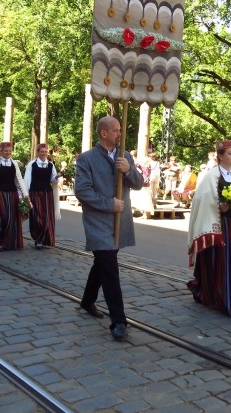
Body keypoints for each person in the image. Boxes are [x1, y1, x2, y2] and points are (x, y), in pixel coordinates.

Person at [75, 116, 143, 341]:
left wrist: (129, 169)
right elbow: (82, 191)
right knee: (110, 269)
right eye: (115, 131)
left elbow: (139, 183)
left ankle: (87, 300)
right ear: (103, 133)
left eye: (120, 130)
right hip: (98, 222)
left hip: (119, 222)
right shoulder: (86, 159)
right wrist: (108, 204)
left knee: (103, 262)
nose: (120, 134)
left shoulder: (126, 156)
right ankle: (119, 321)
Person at [187, 139, 231, 317]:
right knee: (217, 262)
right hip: (218, 227)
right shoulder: (212, 175)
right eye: (230, 153)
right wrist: (219, 206)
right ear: (220, 157)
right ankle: (217, 296)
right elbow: (202, 199)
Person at [0, 142, 29, 250]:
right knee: (0, 217)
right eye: (6, 151)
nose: (8, 152)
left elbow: (19, 179)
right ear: (1, 152)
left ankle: (8, 241)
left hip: (12, 194)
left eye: (9, 151)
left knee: (11, 219)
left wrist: (24, 194)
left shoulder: (14, 163)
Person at [24, 143, 61, 250]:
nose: (44, 153)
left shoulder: (50, 165)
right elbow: (27, 180)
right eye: (42, 152)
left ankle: (45, 238)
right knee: (37, 217)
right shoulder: (32, 164)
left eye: (45, 152)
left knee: (47, 217)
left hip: (47, 194)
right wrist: (25, 195)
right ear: (38, 152)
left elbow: (53, 180)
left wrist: (57, 177)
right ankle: (38, 238)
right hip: (35, 192)